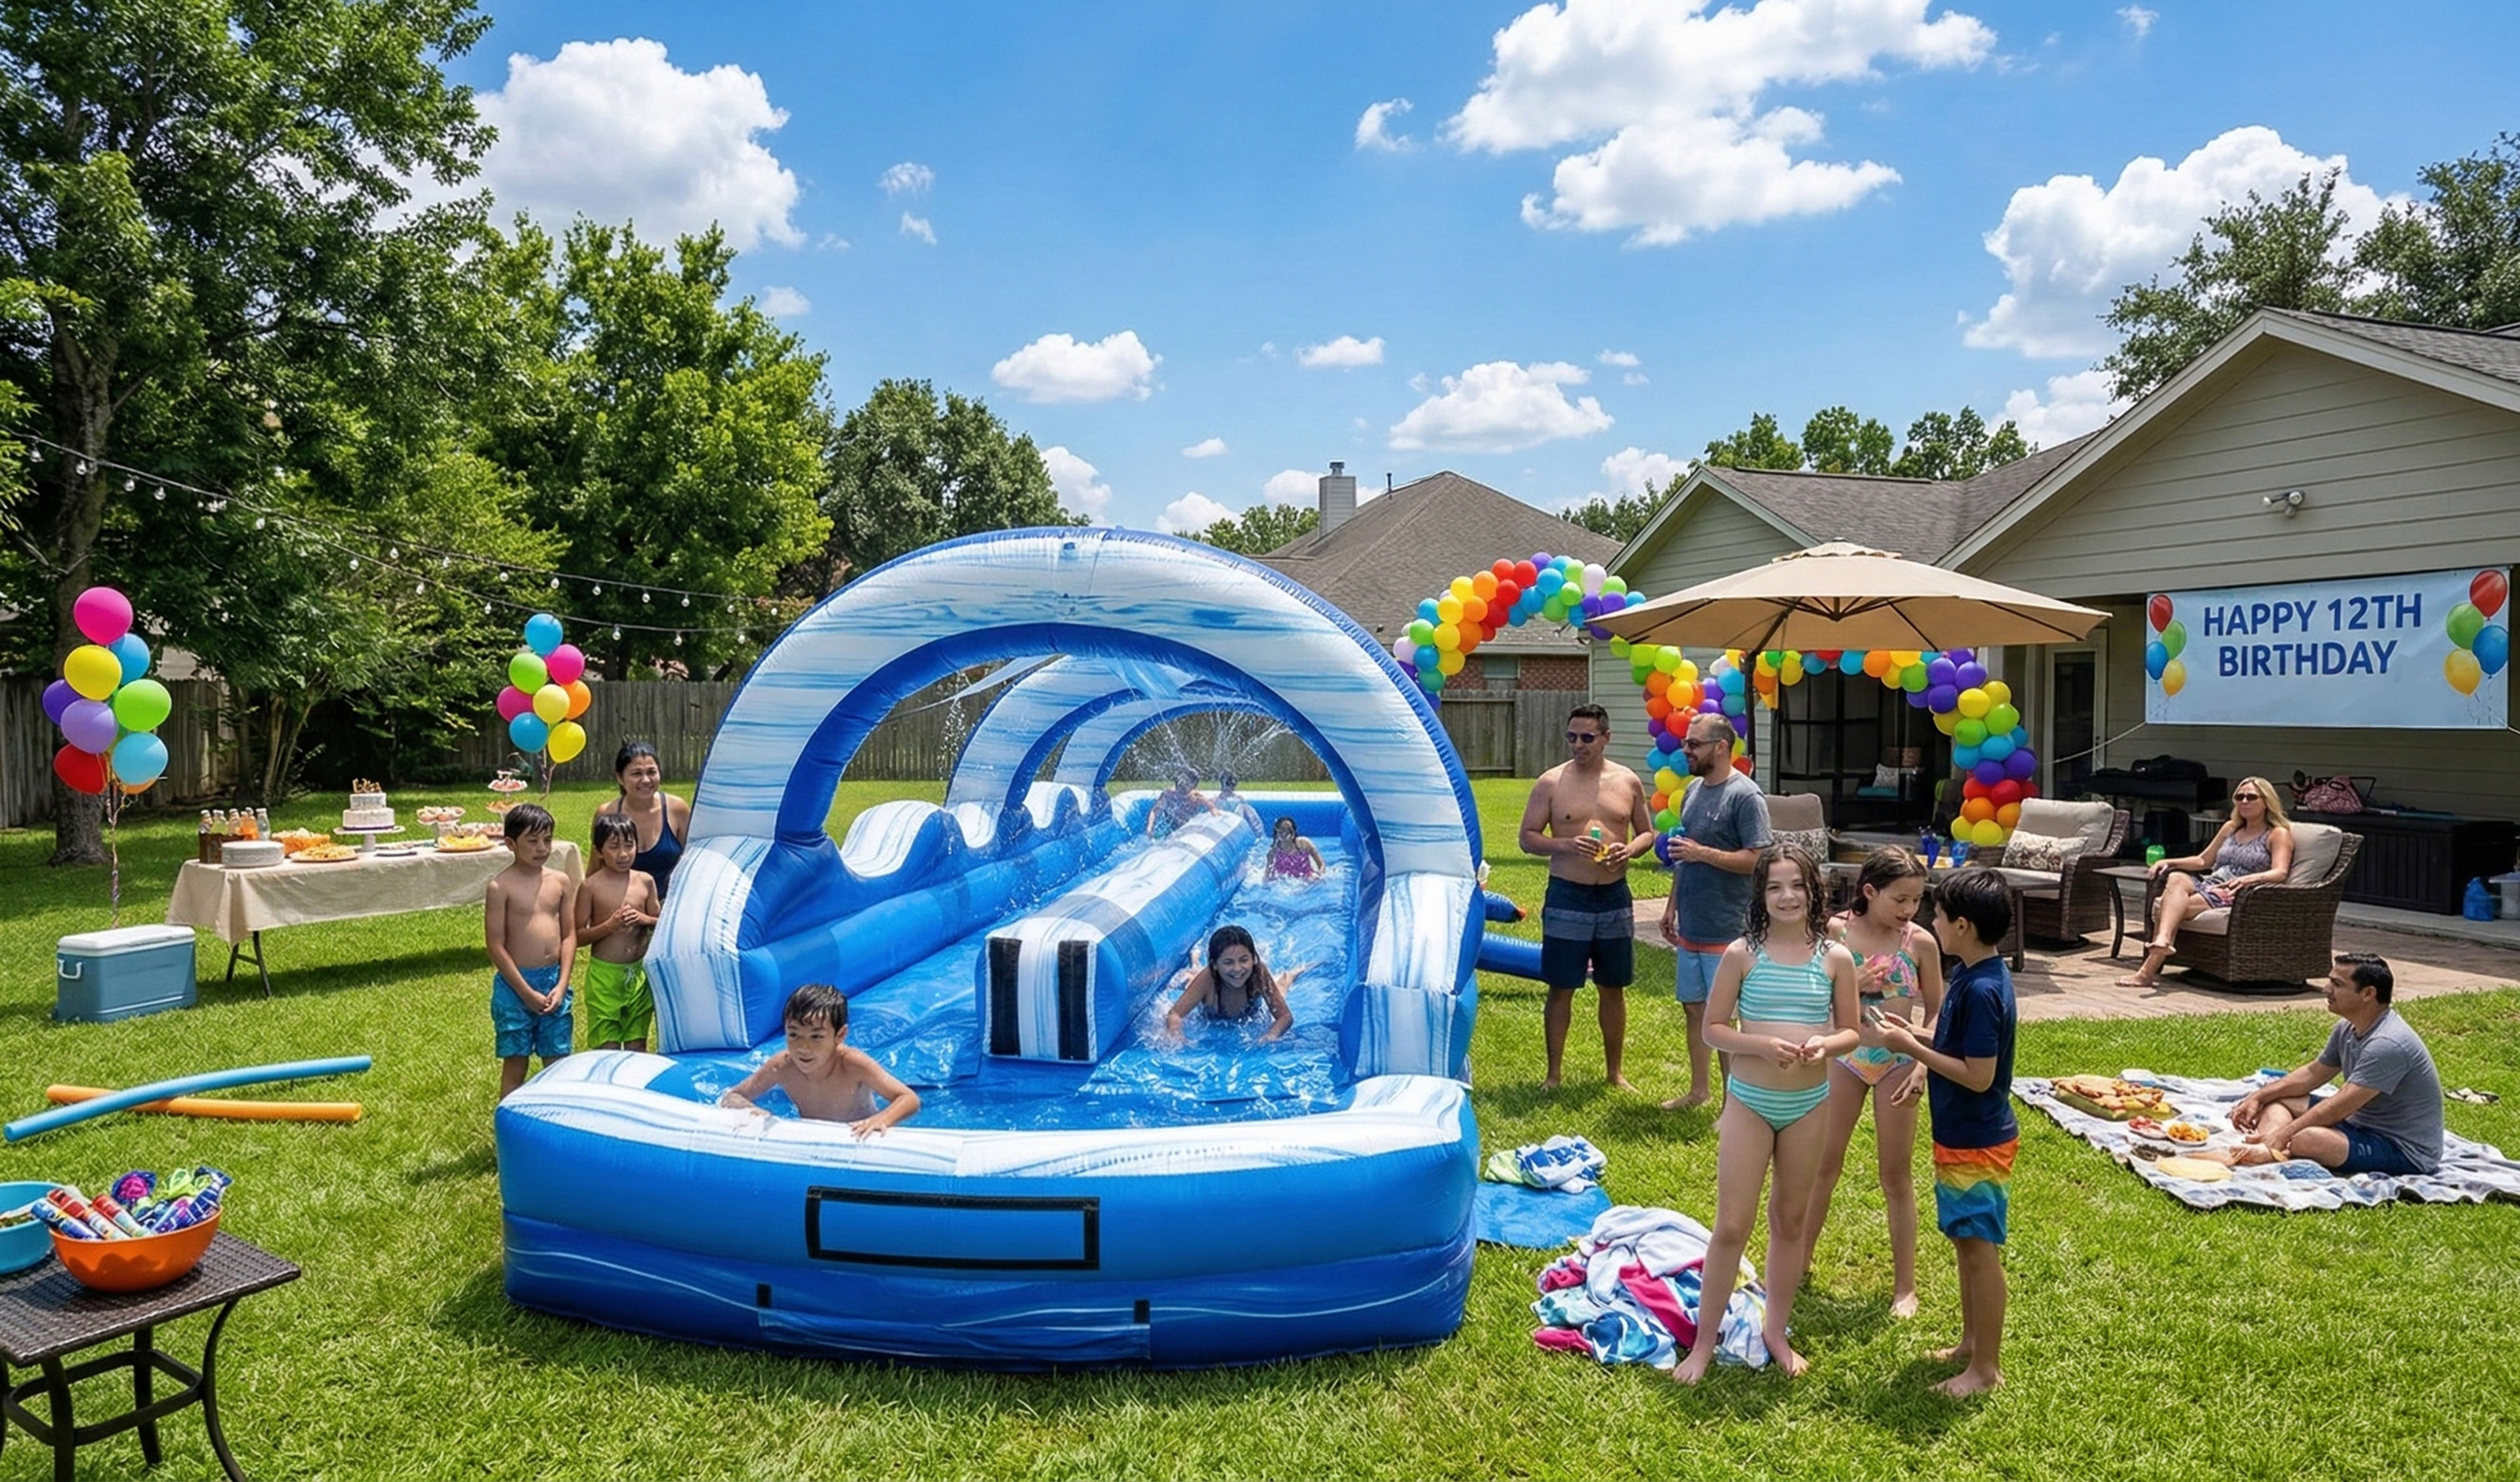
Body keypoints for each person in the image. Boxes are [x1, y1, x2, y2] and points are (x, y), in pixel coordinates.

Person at [1671, 843, 1860, 1384]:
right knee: (1732, 1225)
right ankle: (1702, 1344)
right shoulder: (1742, 954)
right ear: (1761, 895)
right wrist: (1760, 1046)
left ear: (1813, 890)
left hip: (1809, 1104)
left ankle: (1776, 1331)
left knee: (1790, 1221)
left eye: (1796, 885)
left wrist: (1827, 1045)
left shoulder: (1835, 958)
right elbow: (1714, 1028)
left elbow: (1851, 1029)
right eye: (1775, 886)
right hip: (1750, 1103)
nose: (1787, 896)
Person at [1877, 868, 2017, 1399]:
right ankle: (1970, 1345)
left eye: (1936, 914)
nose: (1930, 921)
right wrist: (1910, 1032)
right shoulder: (1972, 973)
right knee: (1965, 1243)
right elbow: (1952, 1043)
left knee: (1980, 1250)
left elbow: (1979, 1075)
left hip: (1979, 1139)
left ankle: (1985, 1370)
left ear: (1961, 925)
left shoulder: (1982, 990)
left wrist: (1912, 1051)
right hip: (1961, 1134)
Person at [1802, 847, 1944, 1321]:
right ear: (1869, 892)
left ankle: (1905, 1286)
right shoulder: (1837, 932)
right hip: (1846, 1056)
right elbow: (1811, 991)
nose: (1909, 910)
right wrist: (1855, 982)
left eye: (1917, 900)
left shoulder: (1919, 943)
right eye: (1900, 899)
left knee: (1896, 1175)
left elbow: (1937, 1009)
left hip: (1899, 1061)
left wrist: (1924, 1063)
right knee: (1824, 1165)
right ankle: (1798, 1262)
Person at [1518, 703, 1657, 1091]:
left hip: (1613, 895)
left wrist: (1630, 850)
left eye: (1587, 738)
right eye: (1572, 737)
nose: (1578, 744)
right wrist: (1565, 844)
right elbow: (1528, 837)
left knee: (1613, 986)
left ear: (1606, 738)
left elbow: (1647, 834)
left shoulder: (1627, 781)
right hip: (1568, 894)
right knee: (1561, 986)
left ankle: (1615, 1073)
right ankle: (1553, 1075)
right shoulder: (1551, 782)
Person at [2208, 954, 2443, 1175]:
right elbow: (2313, 1074)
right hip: (2358, 1123)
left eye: (2337, 985)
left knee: (2307, 1138)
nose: (2326, 989)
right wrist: (2259, 1096)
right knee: (2279, 1101)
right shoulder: (2348, 1027)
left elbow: (2338, 1108)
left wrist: (2284, 1133)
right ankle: (2270, 1150)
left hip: (2400, 1148)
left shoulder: (2388, 1044)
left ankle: (2273, 1148)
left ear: (2368, 994)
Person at [1657, 713, 1774, 1110]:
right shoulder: (1692, 791)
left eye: (1694, 744)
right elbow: (1684, 856)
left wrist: (1701, 853)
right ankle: (1698, 1090)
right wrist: (1672, 907)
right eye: (1687, 743)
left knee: (1723, 1020)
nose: (1685, 750)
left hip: (1729, 926)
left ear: (1720, 748)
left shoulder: (1745, 796)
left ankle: (1733, 1103)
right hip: (1692, 922)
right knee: (1694, 1008)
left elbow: (1758, 859)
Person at [2118, 774, 2294, 988]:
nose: (2244, 802)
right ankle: (2163, 940)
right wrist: (2169, 861)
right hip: (2211, 882)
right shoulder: (2231, 828)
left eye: (2251, 797)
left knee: (2170, 906)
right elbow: (2204, 860)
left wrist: (2249, 879)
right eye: (2240, 797)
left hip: (2235, 892)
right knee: (2176, 878)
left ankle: (2147, 971)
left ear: (2266, 802)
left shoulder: (2277, 834)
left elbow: (2280, 872)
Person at [719, 984, 921, 1136]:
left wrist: (881, 1119)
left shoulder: (853, 1065)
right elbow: (733, 1096)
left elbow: (909, 1099)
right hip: (814, 1137)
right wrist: (756, 1113)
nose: (803, 1048)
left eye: (816, 1037)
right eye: (794, 1035)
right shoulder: (782, 1066)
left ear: (840, 1036)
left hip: (856, 1136)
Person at [485, 803, 574, 1102]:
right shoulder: (501, 887)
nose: (542, 848)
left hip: (553, 984)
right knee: (516, 1061)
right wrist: (524, 992)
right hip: (515, 987)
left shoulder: (560, 882)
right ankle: (508, 1123)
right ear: (510, 844)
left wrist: (561, 985)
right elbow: (496, 945)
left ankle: (557, 1122)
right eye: (532, 841)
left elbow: (570, 935)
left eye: (547, 840)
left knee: (557, 1059)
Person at [576, 813, 662, 1051]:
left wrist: (645, 919)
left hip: (638, 975)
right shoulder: (591, 886)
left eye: (629, 845)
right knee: (607, 1046)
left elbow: (661, 922)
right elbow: (578, 936)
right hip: (605, 977)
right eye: (614, 847)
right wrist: (608, 927)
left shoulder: (645, 882)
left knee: (637, 1044)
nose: (623, 854)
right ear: (599, 851)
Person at [1163, 925, 1299, 1044]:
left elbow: (1285, 1017)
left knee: (1281, 990)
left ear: (1253, 959)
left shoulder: (1258, 973)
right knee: (1192, 981)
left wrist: (1269, 1037)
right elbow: (1175, 1015)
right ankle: (1195, 962)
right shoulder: (1208, 978)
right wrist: (1178, 1039)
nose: (1238, 969)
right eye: (1228, 962)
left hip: (1246, 1004)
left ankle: (1288, 976)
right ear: (1214, 964)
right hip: (1211, 992)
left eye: (1244, 960)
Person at [594, 740, 692, 902]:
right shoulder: (607, 813)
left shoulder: (677, 809)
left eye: (652, 772)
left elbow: (691, 861)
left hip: (670, 904)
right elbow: (596, 868)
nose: (646, 780)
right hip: (623, 908)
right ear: (620, 778)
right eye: (637, 774)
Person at [1147, 768, 1213, 837]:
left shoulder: (1196, 797)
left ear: (1192, 788)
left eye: (1185, 790)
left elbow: (1212, 808)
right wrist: (1150, 828)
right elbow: (1154, 811)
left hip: (1187, 826)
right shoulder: (1169, 794)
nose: (1182, 794)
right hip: (1171, 827)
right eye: (1180, 789)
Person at [1263, 815, 1326, 883]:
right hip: (1285, 884)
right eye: (1282, 830)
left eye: (1289, 830)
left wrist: (1319, 875)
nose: (1286, 834)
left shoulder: (1304, 844)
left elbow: (1322, 865)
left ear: (1294, 832)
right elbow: (1267, 876)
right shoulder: (1274, 852)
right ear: (1277, 832)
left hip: (1307, 880)